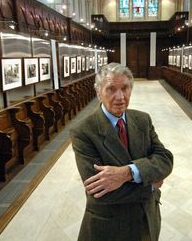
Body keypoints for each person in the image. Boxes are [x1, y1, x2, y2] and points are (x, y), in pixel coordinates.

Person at [70, 63, 173, 241]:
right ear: (98, 93)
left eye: (125, 88)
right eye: (111, 89)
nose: (120, 97)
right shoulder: (83, 131)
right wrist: (149, 183)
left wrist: (127, 173)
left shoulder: (142, 120)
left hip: (147, 220)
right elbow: (99, 192)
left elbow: (165, 159)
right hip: (110, 227)